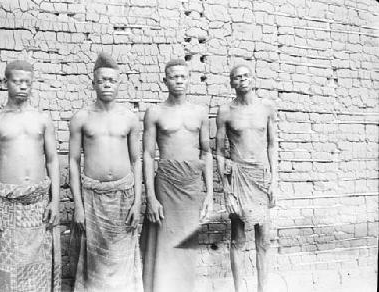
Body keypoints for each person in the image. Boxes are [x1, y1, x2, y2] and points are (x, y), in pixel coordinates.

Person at [0, 60, 61, 291]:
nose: (23, 86)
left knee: (39, 267)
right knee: (4, 267)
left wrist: (55, 202)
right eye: (17, 81)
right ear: (6, 82)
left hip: (38, 204)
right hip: (6, 206)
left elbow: (53, 160)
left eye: (27, 82)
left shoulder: (42, 120)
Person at [69, 52, 143, 292]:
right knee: (95, 259)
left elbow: (136, 160)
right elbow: (72, 160)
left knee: (122, 259)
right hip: (93, 199)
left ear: (119, 83)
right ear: (93, 84)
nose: (107, 85)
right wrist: (78, 205)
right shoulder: (82, 118)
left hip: (124, 196)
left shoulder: (129, 119)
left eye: (112, 80)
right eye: (102, 80)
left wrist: (137, 202)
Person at [140, 59, 214, 292]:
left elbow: (207, 152)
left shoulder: (200, 112)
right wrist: (151, 198)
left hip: (192, 186)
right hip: (166, 185)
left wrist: (209, 193)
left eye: (183, 77)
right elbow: (148, 155)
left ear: (189, 80)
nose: (179, 81)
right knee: (164, 246)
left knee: (186, 247)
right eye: (174, 77)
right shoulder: (155, 113)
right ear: (165, 81)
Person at [216, 64, 277, 292]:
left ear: (253, 79)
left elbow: (272, 145)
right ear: (231, 83)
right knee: (238, 240)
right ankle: (238, 290)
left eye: (245, 76)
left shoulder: (267, 108)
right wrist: (226, 190)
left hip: (261, 177)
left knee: (263, 239)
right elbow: (220, 153)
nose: (242, 80)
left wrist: (275, 180)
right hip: (239, 178)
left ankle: (263, 288)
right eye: (236, 77)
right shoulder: (226, 112)